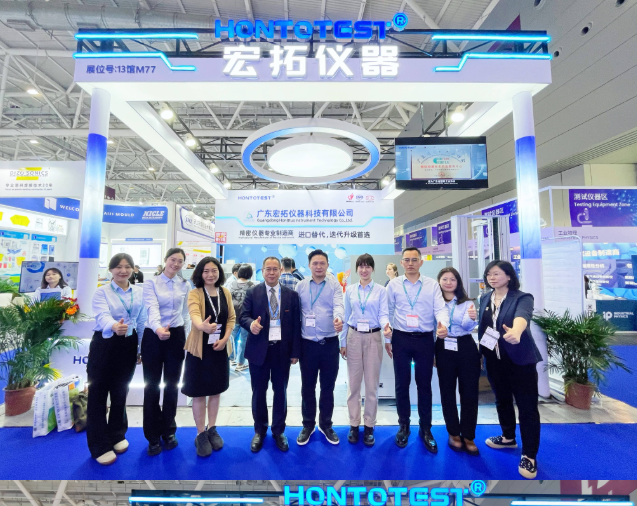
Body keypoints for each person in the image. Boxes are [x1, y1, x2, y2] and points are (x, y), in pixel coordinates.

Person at [478, 260, 542, 479]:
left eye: (496, 273)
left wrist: (516, 331)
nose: (492, 277)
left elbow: (522, 317)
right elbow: (486, 328)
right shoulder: (485, 298)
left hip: (520, 361)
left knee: (527, 407)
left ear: (508, 276)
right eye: (489, 274)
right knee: (502, 400)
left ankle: (529, 455)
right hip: (494, 360)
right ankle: (508, 438)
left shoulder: (522, 298)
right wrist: (482, 354)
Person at [386, 247, 449, 452]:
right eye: (407, 260)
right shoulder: (394, 285)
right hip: (401, 338)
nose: (411, 263)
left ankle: (426, 428)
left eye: (414, 259)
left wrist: (443, 324)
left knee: (424, 385)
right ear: (401, 263)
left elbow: (440, 308)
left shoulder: (432, 285)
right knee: (401, 384)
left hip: (424, 340)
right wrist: (387, 331)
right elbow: (387, 310)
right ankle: (404, 426)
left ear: (421, 262)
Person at [87, 253, 146, 465]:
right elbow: (101, 315)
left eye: (127, 266)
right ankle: (99, 445)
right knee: (98, 393)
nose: (123, 270)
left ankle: (117, 434)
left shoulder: (139, 292)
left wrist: (140, 348)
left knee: (121, 392)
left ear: (133, 269)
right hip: (105, 343)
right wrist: (114, 325)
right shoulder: (101, 292)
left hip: (128, 344)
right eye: (118, 266)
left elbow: (141, 320)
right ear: (111, 269)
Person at [240, 256, 302, 453]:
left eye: (275, 269)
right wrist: (251, 324)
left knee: (280, 392)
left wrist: (295, 352)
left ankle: (278, 431)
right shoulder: (253, 292)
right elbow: (243, 316)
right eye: (268, 269)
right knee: (259, 392)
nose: (272, 272)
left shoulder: (291, 295)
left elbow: (296, 325)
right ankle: (259, 431)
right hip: (258, 350)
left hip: (282, 351)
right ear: (262, 270)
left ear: (281, 270)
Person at [182, 257, 234, 457]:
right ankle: (200, 433)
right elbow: (194, 313)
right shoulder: (195, 293)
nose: (210, 274)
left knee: (215, 391)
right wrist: (202, 326)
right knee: (198, 392)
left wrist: (225, 339)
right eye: (206, 271)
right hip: (199, 350)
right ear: (200, 274)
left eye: (214, 270)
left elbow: (231, 318)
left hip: (219, 349)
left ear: (219, 272)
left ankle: (212, 428)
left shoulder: (225, 292)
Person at [141, 247, 191, 456]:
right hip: (154, 336)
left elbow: (186, 313)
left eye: (180, 261)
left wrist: (187, 337)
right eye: (173, 259)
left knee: (172, 386)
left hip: (176, 337)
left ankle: (169, 431)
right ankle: (152, 436)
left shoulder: (185, 284)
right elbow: (151, 308)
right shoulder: (151, 283)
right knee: (151, 387)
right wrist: (158, 329)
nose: (176, 264)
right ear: (165, 260)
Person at [340, 254, 391, 447]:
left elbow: (384, 314)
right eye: (360, 266)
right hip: (353, 336)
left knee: (371, 385)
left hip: (373, 337)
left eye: (367, 266)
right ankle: (354, 424)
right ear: (356, 269)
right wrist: (342, 342)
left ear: (372, 269)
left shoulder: (381, 291)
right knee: (353, 385)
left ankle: (369, 425)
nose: (364, 270)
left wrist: (387, 331)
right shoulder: (350, 291)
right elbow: (346, 316)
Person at [295, 249, 344, 445]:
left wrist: (339, 318)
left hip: (329, 344)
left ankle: (326, 424)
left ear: (327, 265)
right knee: (307, 387)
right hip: (307, 345)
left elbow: (339, 305)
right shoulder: (301, 286)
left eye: (322, 263)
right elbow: (296, 313)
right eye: (315, 263)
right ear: (309, 265)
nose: (318, 266)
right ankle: (308, 425)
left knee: (327, 387)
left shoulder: (334, 285)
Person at [435, 267, 480, 456]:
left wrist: (472, 318)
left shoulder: (467, 303)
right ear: (439, 282)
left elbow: (468, 327)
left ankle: (468, 435)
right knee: (447, 391)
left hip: (465, 346)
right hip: (443, 347)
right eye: (444, 279)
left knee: (469, 392)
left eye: (452, 279)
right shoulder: (435, 303)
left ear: (458, 282)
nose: (448, 282)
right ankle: (453, 432)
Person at [228, 264, 254, 372]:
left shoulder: (232, 284)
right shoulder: (251, 285)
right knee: (244, 340)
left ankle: (231, 358)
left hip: (233, 316)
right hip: (246, 317)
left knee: (231, 338)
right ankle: (240, 363)